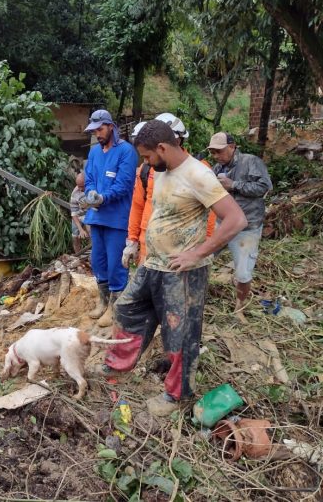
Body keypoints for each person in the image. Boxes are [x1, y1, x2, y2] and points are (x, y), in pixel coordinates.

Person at [104, 121, 247, 416]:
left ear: (162, 148)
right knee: (127, 308)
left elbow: (236, 219)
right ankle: (117, 365)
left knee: (180, 334)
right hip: (154, 264)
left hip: (182, 272)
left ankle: (176, 394)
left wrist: (197, 253)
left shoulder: (198, 174)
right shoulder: (164, 171)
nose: (145, 163)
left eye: (146, 156)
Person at [122, 114, 217, 269]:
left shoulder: (199, 171)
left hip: (181, 254)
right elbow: (138, 204)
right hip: (148, 250)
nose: (146, 159)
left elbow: (212, 214)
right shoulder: (149, 169)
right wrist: (132, 240)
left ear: (176, 141)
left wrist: (202, 250)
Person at [81, 109, 138, 328]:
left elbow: (123, 185)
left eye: (100, 129)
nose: (97, 134)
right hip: (97, 217)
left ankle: (116, 305)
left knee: (116, 263)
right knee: (98, 260)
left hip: (117, 218)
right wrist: (91, 193)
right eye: (94, 131)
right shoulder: (95, 153)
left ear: (111, 127)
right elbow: (90, 179)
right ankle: (103, 300)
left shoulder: (126, 152)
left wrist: (104, 198)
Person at [208, 132, 272, 320]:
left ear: (232, 146)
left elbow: (264, 187)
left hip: (248, 227)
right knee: (202, 258)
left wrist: (234, 184)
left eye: (219, 151)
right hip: (223, 224)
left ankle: (239, 309)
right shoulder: (216, 168)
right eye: (213, 153)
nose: (216, 156)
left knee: (243, 274)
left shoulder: (251, 162)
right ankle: (198, 296)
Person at [69, 172, 90, 253]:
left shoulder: (93, 188)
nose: (80, 189)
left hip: (90, 214)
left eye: (82, 186)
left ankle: (92, 255)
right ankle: (78, 255)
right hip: (79, 215)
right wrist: (81, 230)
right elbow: (74, 214)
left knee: (91, 233)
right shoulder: (75, 193)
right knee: (75, 236)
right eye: (78, 186)